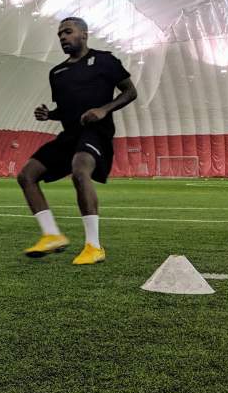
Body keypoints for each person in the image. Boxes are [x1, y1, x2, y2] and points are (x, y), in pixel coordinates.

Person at [16, 17, 137, 263]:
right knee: (26, 175)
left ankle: (94, 247)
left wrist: (104, 109)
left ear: (84, 34)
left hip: (96, 132)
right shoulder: (57, 73)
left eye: (68, 32)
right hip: (69, 135)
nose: (62, 37)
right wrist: (49, 114)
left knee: (80, 171)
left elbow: (130, 92)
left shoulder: (105, 60)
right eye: (60, 34)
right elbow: (67, 109)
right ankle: (51, 235)